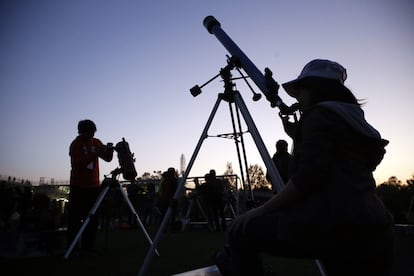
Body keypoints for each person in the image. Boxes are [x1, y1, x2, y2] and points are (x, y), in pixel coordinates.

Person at [217, 59, 394, 275]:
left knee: (241, 231)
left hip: (335, 225)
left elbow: (308, 178)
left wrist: (257, 212)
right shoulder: (349, 119)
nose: (298, 99)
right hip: (371, 224)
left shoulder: (319, 115)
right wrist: (298, 134)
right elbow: (339, 156)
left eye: (300, 92)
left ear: (314, 88)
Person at [67, 119, 114, 254]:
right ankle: (73, 247)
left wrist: (109, 151)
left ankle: (88, 247)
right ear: (82, 132)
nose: (92, 136)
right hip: (78, 186)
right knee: (75, 219)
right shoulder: (75, 145)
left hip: (94, 187)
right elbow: (78, 164)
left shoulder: (96, 142)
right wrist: (95, 153)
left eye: (94, 133)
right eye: (90, 133)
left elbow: (107, 158)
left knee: (92, 218)